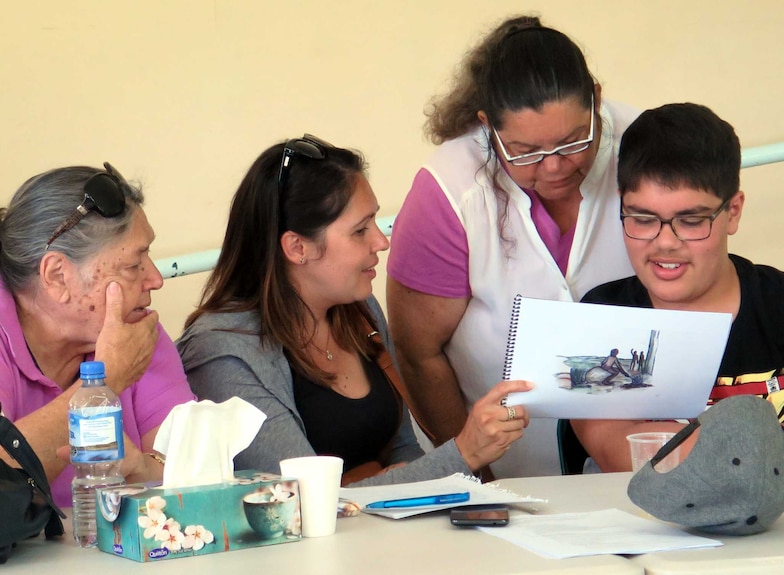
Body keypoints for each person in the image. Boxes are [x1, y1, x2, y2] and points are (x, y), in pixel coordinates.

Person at [176, 135, 531, 486]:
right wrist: (464, 453)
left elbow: (403, 448)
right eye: (360, 230)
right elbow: (304, 497)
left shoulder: (359, 312)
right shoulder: (223, 352)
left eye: (374, 222)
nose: (381, 241)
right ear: (297, 247)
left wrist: (410, 474)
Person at [386, 15, 639, 478]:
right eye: (524, 151)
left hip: (638, 458)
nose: (554, 168)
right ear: (488, 128)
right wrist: (475, 475)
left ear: (596, 100)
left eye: (573, 141)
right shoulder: (449, 190)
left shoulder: (643, 145)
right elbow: (418, 353)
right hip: (505, 473)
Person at [573, 103, 784, 477]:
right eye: (642, 219)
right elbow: (628, 453)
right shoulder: (601, 315)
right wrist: (780, 444)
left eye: (691, 221)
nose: (665, 243)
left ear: (734, 212)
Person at [0, 163, 196, 506]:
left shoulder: (134, 332)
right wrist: (108, 380)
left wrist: (144, 470)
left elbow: (199, 473)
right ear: (58, 276)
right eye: (134, 266)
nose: (155, 279)